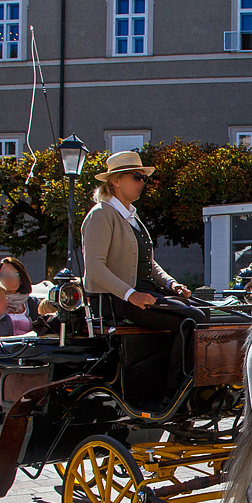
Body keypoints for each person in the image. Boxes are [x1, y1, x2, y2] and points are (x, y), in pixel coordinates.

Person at [81, 150, 207, 392]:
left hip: (143, 294)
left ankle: (188, 385)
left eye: (143, 178)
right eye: (136, 177)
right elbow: (95, 268)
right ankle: (174, 391)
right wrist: (130, 294)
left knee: (205, 314)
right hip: (115, 299)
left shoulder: (133, 218)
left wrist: (172, 284)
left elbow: (150, 263)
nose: (142, 182)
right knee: (193, 319)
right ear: (116, 181)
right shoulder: (101, 214)